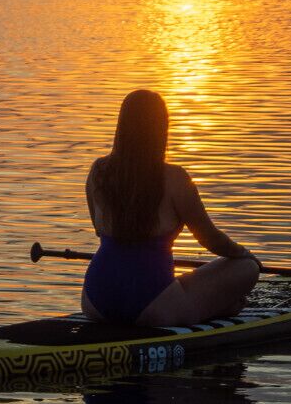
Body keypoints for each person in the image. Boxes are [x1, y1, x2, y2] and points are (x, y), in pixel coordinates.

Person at [81, 89, 261, 326]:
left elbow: (98, 229)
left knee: (182, 284)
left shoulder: (98, 172)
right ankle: (220, 307)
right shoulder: (175, 178)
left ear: (122, 126)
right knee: (247, 269)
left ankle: (215, 306)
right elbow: (210, 239)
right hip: (153, 305)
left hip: (95, 300)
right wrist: (244, 254)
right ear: (161, 129)